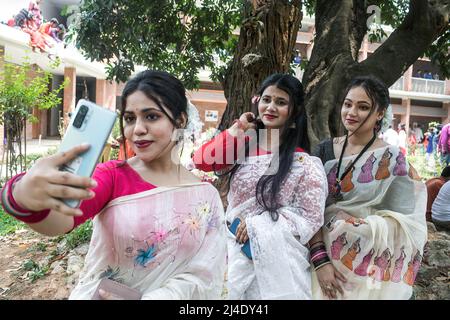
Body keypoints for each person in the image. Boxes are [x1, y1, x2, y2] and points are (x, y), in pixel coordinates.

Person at [0, 70, 227, 300]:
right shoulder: (113, 176)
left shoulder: (205, 196)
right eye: (130, 119)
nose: (137, 129)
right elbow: (58, 223)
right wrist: (21, 197)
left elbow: (204, 275)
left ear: (180, 121)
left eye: (151, 116)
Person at [193, 73, 328, 299]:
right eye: (266, 100)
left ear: (294, 111)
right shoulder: (244, 146)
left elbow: (309, 218)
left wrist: (258, 225)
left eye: (281, 102)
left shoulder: (304, 163)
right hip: (232, 252)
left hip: (279, 263)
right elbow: (202, 160)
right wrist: (238, 128)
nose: (271, 107)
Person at [310, 75, 427, 300]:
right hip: (321, 258)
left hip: (366, 267)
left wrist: (360, 225)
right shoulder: (324, 151)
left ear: (380, 113)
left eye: (363, 107)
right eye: (348, 104)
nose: (351, 112)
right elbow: (308, 208)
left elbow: (408, 224)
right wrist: (320, 261)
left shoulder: (392, 160)